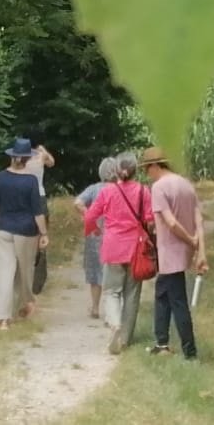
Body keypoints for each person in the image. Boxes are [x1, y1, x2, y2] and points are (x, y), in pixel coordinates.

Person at [81, 151, 153, 354]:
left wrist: (93, 229)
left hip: (113, 247)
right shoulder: (143, 191)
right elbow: (149, 219)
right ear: (135, 171)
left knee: (112, 290)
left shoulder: (107, 192)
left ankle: (114, 324)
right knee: (132, 294)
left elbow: (89, 216)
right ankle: (125, 339)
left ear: (117, 171)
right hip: (136, 248)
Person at [141, 145, 207, 360]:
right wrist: (199, 249)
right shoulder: (186, 184)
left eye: (147, 169)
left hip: (170, 251)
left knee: (178, 301)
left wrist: (189, 239)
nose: (146, 174)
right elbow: (199, 219)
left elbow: (170, 222)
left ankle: (190, 351)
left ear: (155, 166)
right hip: (183, 251)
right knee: (162, 294)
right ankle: (161, 342)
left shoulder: (159, 188)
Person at [0, 137, 49, 331]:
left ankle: (2, 318)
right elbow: (37, 212)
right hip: (26, 231)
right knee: (24, 271)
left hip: (3, 229)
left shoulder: (1, 177)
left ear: (12, 157)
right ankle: (25, 303)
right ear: (27, 159)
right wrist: (44, 233)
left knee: (3, 272)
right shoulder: (30, 181)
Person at [74, 156, 119, 321]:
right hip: (115, 237)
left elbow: (77, 202)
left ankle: (94, 307)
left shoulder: (94, 189)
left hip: (95, 236)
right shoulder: (120, 189)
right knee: (113, 274)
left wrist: (89, 216)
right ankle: (111, 310)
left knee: (95, 274)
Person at [19, 141, 56, 293]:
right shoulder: (40, 157)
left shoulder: (20, 160)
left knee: (25, 235)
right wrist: (44, 149)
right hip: (39, 197)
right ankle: (38, 279)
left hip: (24, 198)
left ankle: (24, 276)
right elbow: (52, 163)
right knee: (41, 237)